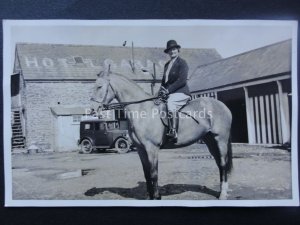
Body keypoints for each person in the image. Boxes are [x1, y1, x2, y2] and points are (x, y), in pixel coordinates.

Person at [159, 40, 191, 143]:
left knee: (171, 103)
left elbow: (181, 81)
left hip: (181, 92)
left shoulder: (182, 63)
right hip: (170, 93)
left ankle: (173, 131)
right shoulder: (167, 65)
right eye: (170, 50)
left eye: (174, 49)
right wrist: (160, 92)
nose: (172, 52)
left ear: (178, 50)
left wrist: (168, 91)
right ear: (168, 52)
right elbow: (164, 82)